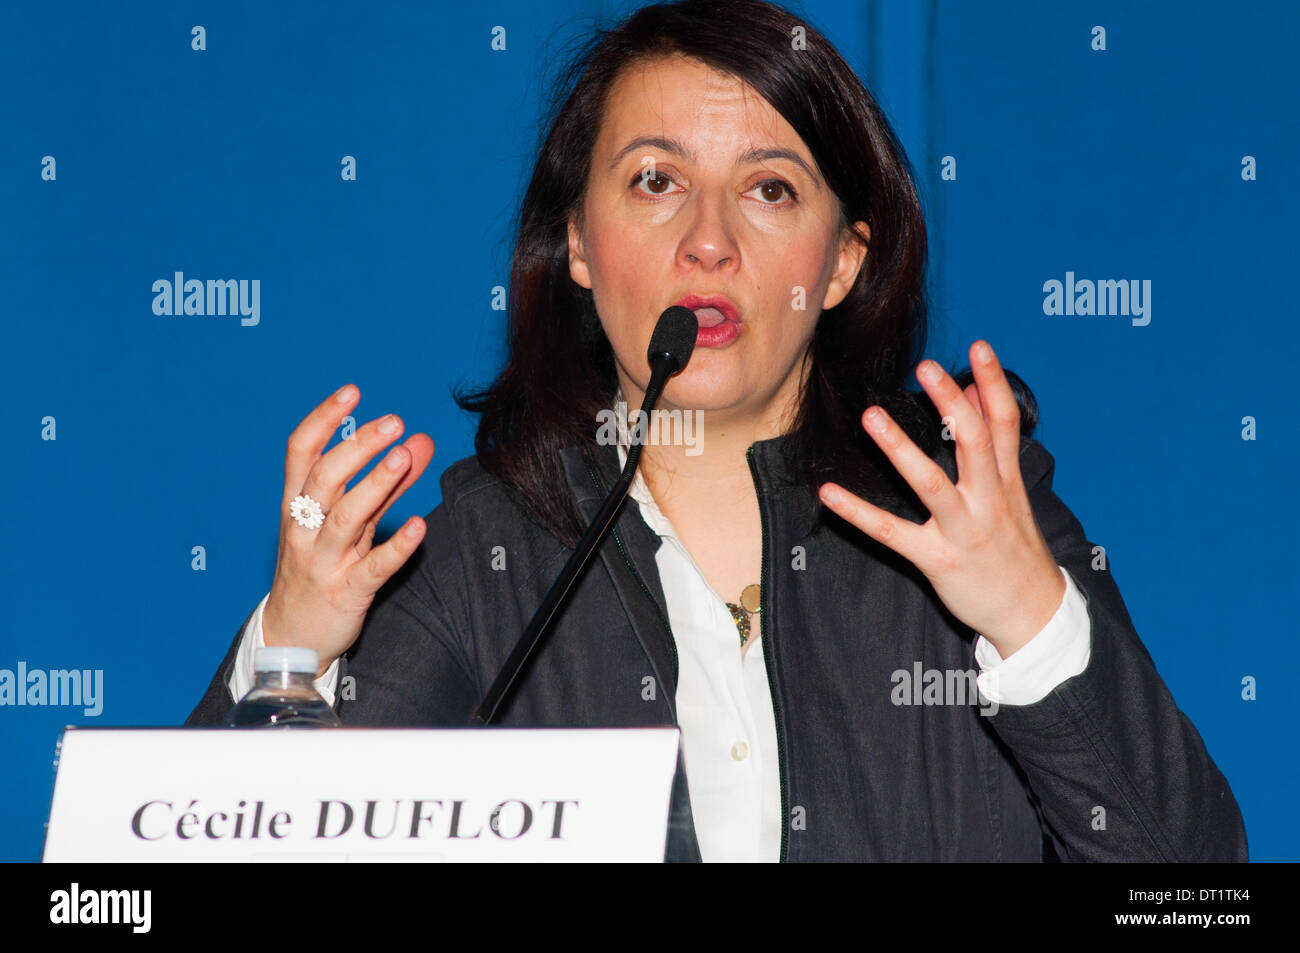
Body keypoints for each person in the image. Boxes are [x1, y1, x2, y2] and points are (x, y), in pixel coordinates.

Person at [185, 0, 1248, 862]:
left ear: (840, 263)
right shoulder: (481, 558)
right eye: (656, 182)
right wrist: (290, 648)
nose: (708, 241)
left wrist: (1027, 618)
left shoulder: (962, 504)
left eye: (770, 190)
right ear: (579, 247)